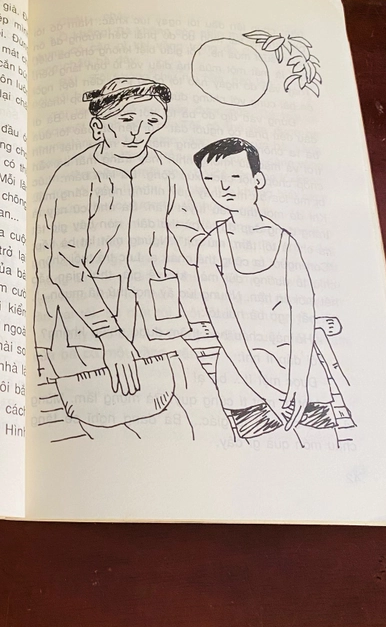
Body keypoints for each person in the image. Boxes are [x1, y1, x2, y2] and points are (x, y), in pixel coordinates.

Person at [33, 77, 230, 440]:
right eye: (127, 119)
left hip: (158, 320)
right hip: (87, 327)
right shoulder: (74, 177)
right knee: (122, 428)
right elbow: (64, 266)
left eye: (152, 121)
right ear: (99, 126)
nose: (139, 132)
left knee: (211, 421)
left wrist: (232, 251)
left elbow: (189, 236)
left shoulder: (167, 171)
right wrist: (110, 335)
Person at [193, 137, 340, 447]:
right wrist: (264, 391)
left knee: (324, 448)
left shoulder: (285, 241)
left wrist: (298, 381)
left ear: (257, 179)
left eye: (234, 176)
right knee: (264, 459)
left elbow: (303, 312)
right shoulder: (210, 248)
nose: (223, 187)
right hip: (243, 379)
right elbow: (226, 328)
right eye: (211, 180)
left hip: (301, 370)